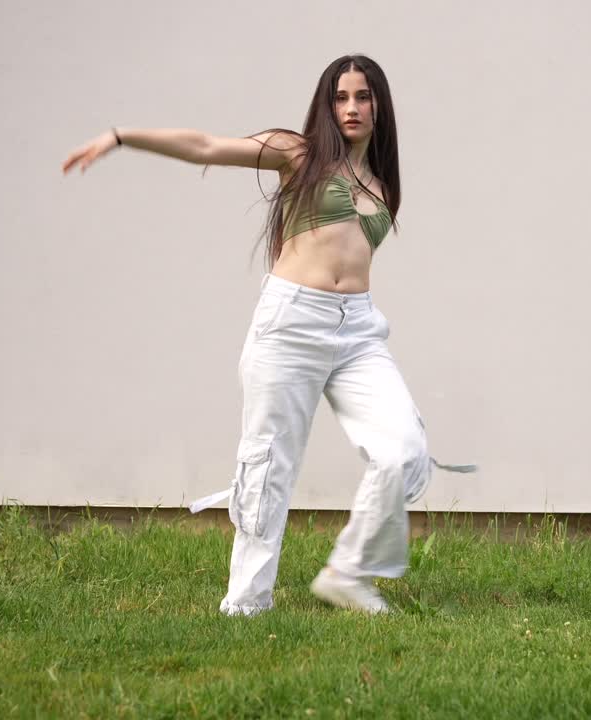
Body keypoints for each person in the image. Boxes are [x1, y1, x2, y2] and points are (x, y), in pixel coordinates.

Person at [61, 54, 473, 616]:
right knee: (268, 465)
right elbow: (206, 146)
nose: (352, 107)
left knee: (404, 450)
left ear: (380, 106)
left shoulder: (382, 184)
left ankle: (349, 574)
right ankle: (247, 603)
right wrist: (119, 136)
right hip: (291, 324)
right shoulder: (297, 154)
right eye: (341, 97)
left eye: (363, 96)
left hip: (358, 330)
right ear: (327, 105)